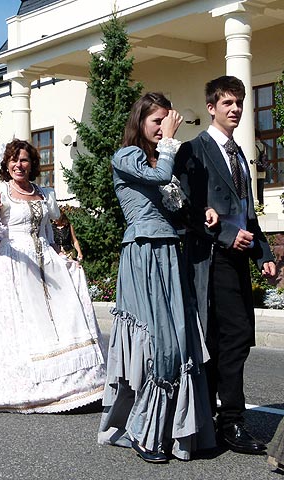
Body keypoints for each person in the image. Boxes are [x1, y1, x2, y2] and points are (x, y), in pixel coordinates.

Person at [97, 93, 216, 463]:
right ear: (141, 122)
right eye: (157, 121)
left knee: (179, 341)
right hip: (144, 253)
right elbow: (160, 175)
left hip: (168, 253)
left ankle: (173, 431)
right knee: (157, 345)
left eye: (166, 120)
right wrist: (169, 143)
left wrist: (203, 211)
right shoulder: (127, 156)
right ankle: (143, 431)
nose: (163, 127)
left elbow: (173, 204)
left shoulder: (154, 157)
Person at [175, 76, 276, 455]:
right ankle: (226, 420)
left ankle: (223, 418)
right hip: (209, 259)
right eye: (228, 103)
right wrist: (223, 237)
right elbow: (184, 208)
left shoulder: (239, 156)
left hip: (237, 261)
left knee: (234, 339)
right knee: (223, 339)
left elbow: (247, 215)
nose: (235, 109)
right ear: (212, 107)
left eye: (239, 103)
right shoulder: (193, 151)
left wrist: (263, 254)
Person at [0, 139, 106, 414]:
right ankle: (30, 386)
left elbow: (60, 222)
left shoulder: (44, 193)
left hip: (46, 257)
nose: (19, 165)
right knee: (26, 323)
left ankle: (79, 383)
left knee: (62, 316)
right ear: (7, 165)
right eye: (14, 160)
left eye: (24, 160)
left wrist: (70, 246)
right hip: (15, 263)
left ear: (32, 165)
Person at [254, 129, 268, 205]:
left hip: (256, 173)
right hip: (262, 172)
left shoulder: (254, 146)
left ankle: (258, 209)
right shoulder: (263, 145)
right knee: (260, 193)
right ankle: (261, 208)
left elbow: (254, 159)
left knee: (255, 192)